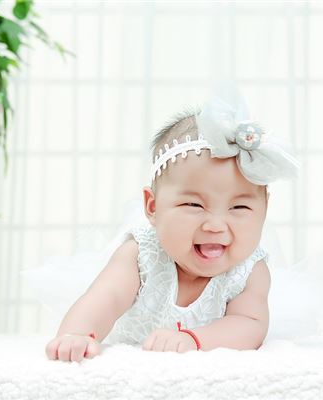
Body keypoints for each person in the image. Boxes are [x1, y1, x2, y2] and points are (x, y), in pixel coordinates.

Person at [45, 89, 303, 362]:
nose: (215, 225)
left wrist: (193, 339)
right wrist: (78, 334)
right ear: (153, 206)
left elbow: (249, 325)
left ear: (264, 210)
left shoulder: (248, 271)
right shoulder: (140, 255)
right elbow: (106, 298)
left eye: (239, 207)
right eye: (194, 205)